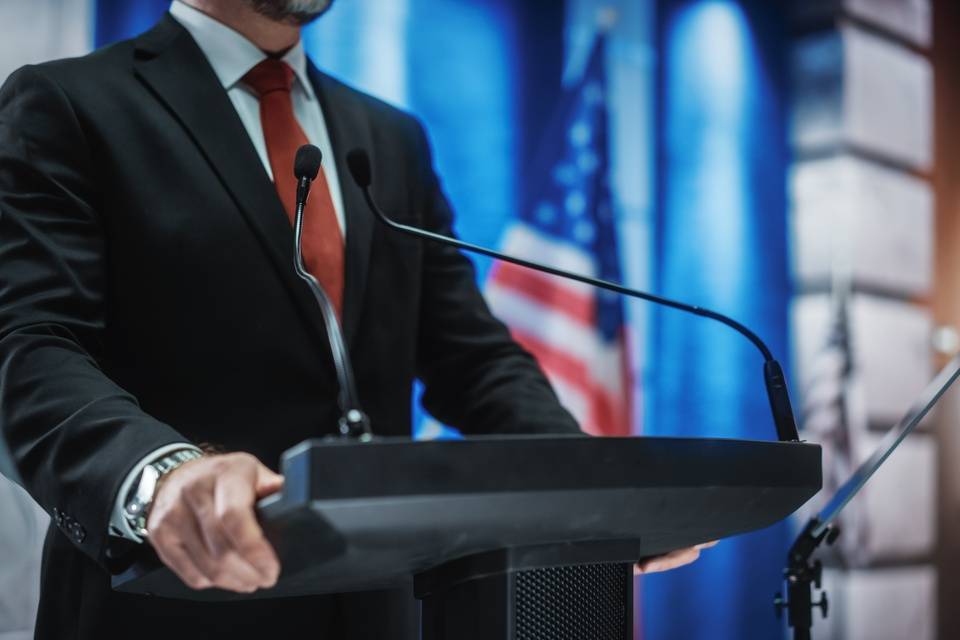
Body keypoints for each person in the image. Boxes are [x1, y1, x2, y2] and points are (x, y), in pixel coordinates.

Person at [0, 1, 711, 638]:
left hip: (380, 603)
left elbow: (472, 358)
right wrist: (159, 475)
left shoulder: (389, 135)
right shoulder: (68, 102)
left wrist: (587, 483)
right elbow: (28, 345)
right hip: (169, 605)